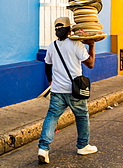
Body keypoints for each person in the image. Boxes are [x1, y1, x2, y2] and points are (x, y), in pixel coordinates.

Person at [38, 17, 97, 164]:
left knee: (51, 117)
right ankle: (83, 145)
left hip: (57, 90)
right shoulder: (76, 44)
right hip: (74, 90)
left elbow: (47, 65)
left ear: (57, 31)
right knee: (82, 116)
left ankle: (43, 149)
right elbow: (90, 64)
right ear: (70, 29)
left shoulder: (52, 46)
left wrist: (50, 80)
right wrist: (92, 45)